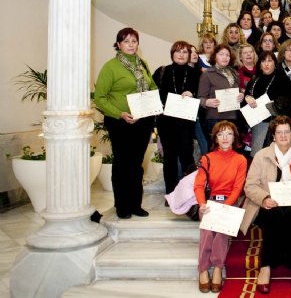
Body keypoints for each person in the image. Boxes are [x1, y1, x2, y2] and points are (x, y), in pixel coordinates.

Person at [240, 116, 291, 295]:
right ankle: (267, 266)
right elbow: (250, 186)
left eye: (287, 132)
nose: (283, 136)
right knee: (276, 213)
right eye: (279, 132)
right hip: (267, 205)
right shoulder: (261, 155)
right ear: (273, 136)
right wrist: (264, 198)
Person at [94, 27, 156, 219]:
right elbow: (99, 98)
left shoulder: (142, 64)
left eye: (134, 41)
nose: (131, 45)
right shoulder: (111, 66)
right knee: (123, 163)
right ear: (119, 44)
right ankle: (122, 205)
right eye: (126, 41)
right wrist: (119, 113)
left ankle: (135, 204)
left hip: (142, 121)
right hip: (120, 123)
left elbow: (152, 87)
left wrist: (153, 103)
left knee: (137, 164)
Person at [195, 121, 247, 293]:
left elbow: (238, 188)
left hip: (230, 202)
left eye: (229, 134)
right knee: (207, 230)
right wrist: (202, 204)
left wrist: (226, 205)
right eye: (220, 134)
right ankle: (203, 269)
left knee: (221, 231)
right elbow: (199, 185)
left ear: (234, 137)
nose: (225, 138)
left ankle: (218, 267)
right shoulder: (207, 158)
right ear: (215, 138)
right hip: (210, 202)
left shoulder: (240, 159)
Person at [152, 40, 201, 195]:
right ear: (172, 53)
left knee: (187, 157)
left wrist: (193, 94)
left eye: (185, 52)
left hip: (186, 123)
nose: (181, 54)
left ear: (189, 55)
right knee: (170, 159)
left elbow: (202, 95)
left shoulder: (196, 73)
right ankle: (171, 194)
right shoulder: (162, 71)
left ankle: (190, 194)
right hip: (166, 122)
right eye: (178, 51)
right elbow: (152, 94)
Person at [197, 44, 244, 150]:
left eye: (227, 55)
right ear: (215, 56)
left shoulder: (234, 73)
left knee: (232, 150)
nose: (225, 57)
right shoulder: (207, 74)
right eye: (221, 54)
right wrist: (206, 102)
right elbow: (200, 98)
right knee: (216, 150)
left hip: (233, 117)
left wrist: (241, 95)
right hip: (215, 118)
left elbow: (238, 91)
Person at [243, 51, 281, 156]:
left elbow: (287, 100)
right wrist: (247, 97)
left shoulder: (281, 78)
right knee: (257, 156)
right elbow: (246, 97)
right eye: (263, 61)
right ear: (259, 64)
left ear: (275, 64)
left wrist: (275, 103)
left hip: (274, 122)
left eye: (270, 61)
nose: (266, 64)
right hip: (256, 122)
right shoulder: (254, 79)